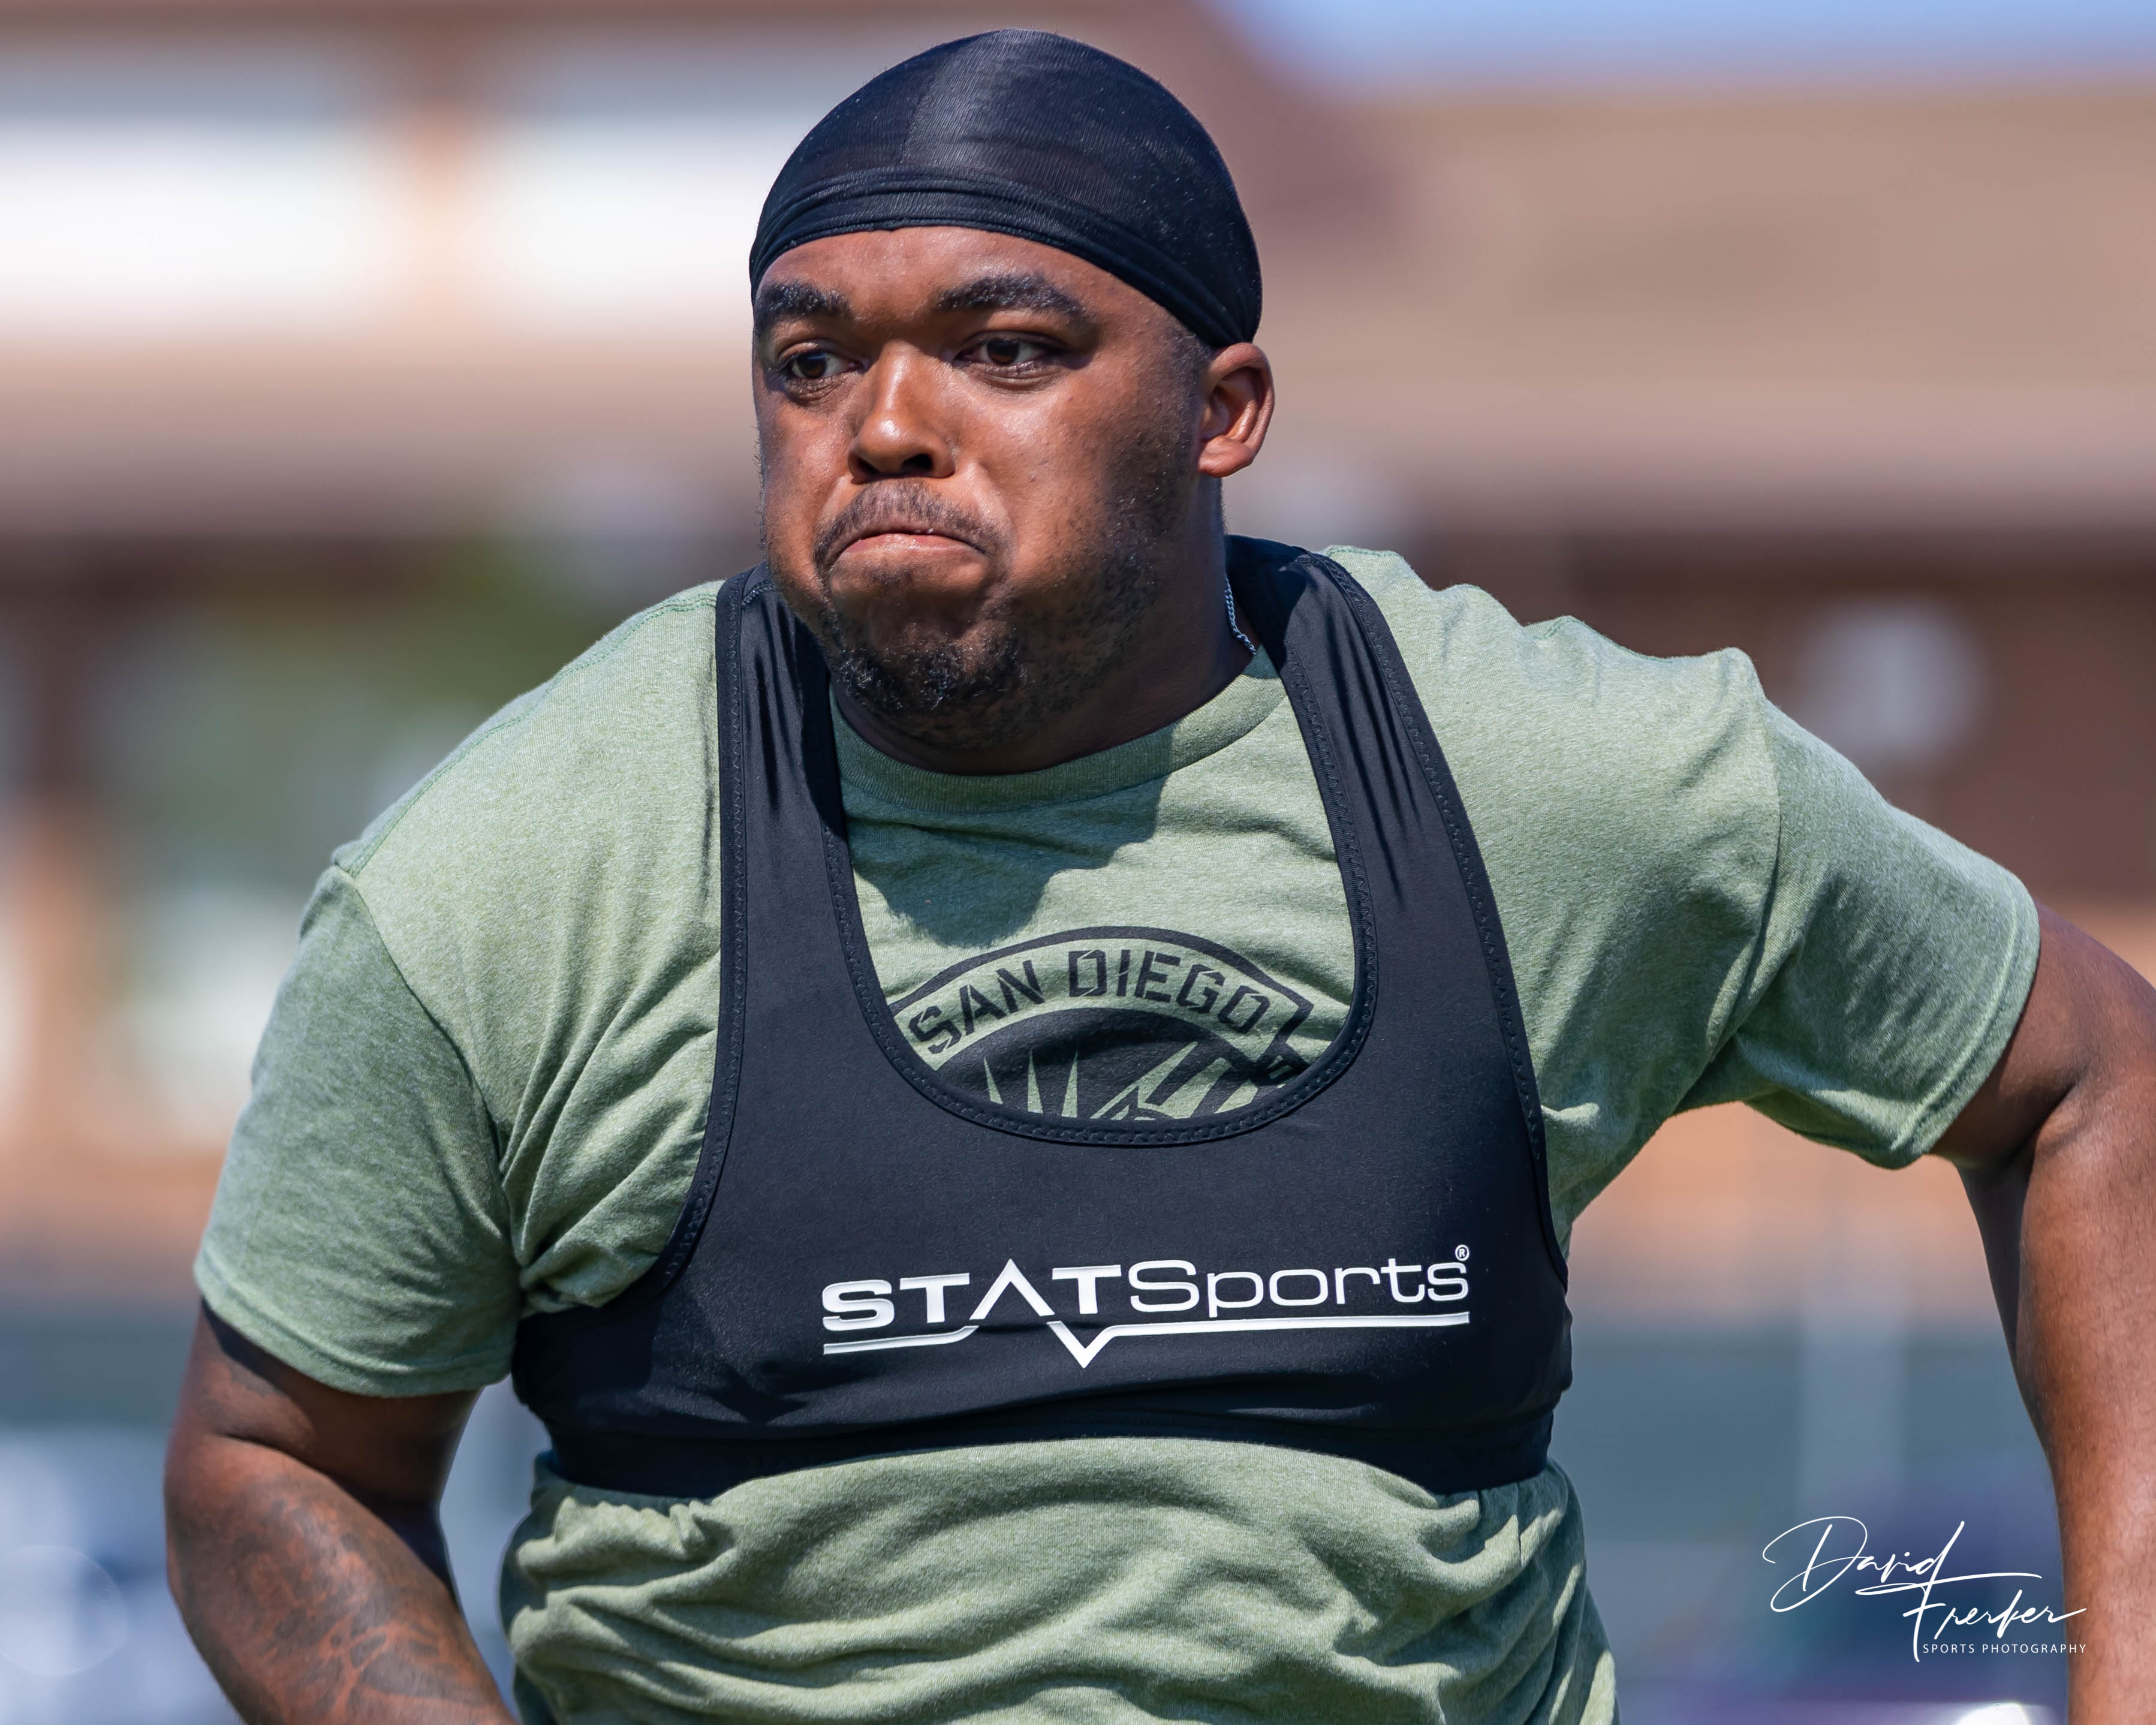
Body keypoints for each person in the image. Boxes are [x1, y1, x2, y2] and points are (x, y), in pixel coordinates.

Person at [164, 29, 2156, 1725]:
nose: (885, 427)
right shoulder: (516, 872)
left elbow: (2091, 1079)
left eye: (1003, 349)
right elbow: (272, 1470)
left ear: (1223, 412)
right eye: (810, 361)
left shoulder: (1552, 786)